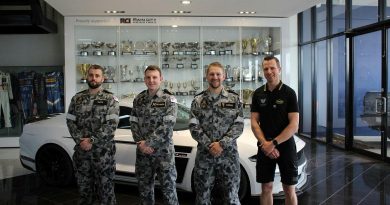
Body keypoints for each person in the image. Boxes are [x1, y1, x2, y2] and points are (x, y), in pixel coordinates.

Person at [189, 62, 244, 205]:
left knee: (231, 197)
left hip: (228, 156)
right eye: (212, 74)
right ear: (207, 76)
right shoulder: (198, 100)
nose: (215, 77)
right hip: (204, 157)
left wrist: (221, 144)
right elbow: (194, 127)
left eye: (218, 74)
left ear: (224, 76)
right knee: (202, 197)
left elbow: (238, 125)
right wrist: (210, 145)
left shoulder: (234, 99)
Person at [66, 64, 120, 205]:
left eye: (97, 76)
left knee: (106, 193)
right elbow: (70, 121)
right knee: (84, 192)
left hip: (103, 155)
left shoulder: (111, 99)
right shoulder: (77, 99)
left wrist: (91, 140)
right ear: (86, 77)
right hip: (82, 154)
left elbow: (111, 125)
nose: (93, 78)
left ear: (103, 78)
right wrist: (80, 140)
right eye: (91, 75)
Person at [250, 56, 299, 205]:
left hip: (285, 146)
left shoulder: (289, 93)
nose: (269, 71)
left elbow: (294, 125)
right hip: (264, 146)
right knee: (266, 187)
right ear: (262, 71)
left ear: (279, 69)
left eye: (272, 68)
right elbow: (254, 122)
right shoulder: (258, 93)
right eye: (266, 68)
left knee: (289, 189)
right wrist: (266, 144)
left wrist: (274, 143)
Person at [129, 65, 179, 205]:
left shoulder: (169, 99)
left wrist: (148, 143)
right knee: (145, 191)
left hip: (163, 154)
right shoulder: (138, 99)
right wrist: (140, 143)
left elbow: (167, 125)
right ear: (144, 79)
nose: (151, 80)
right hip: (143, 154)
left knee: (169, 191)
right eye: (148, 77)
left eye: (154, 77)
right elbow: (133, 123)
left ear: (161, 79)